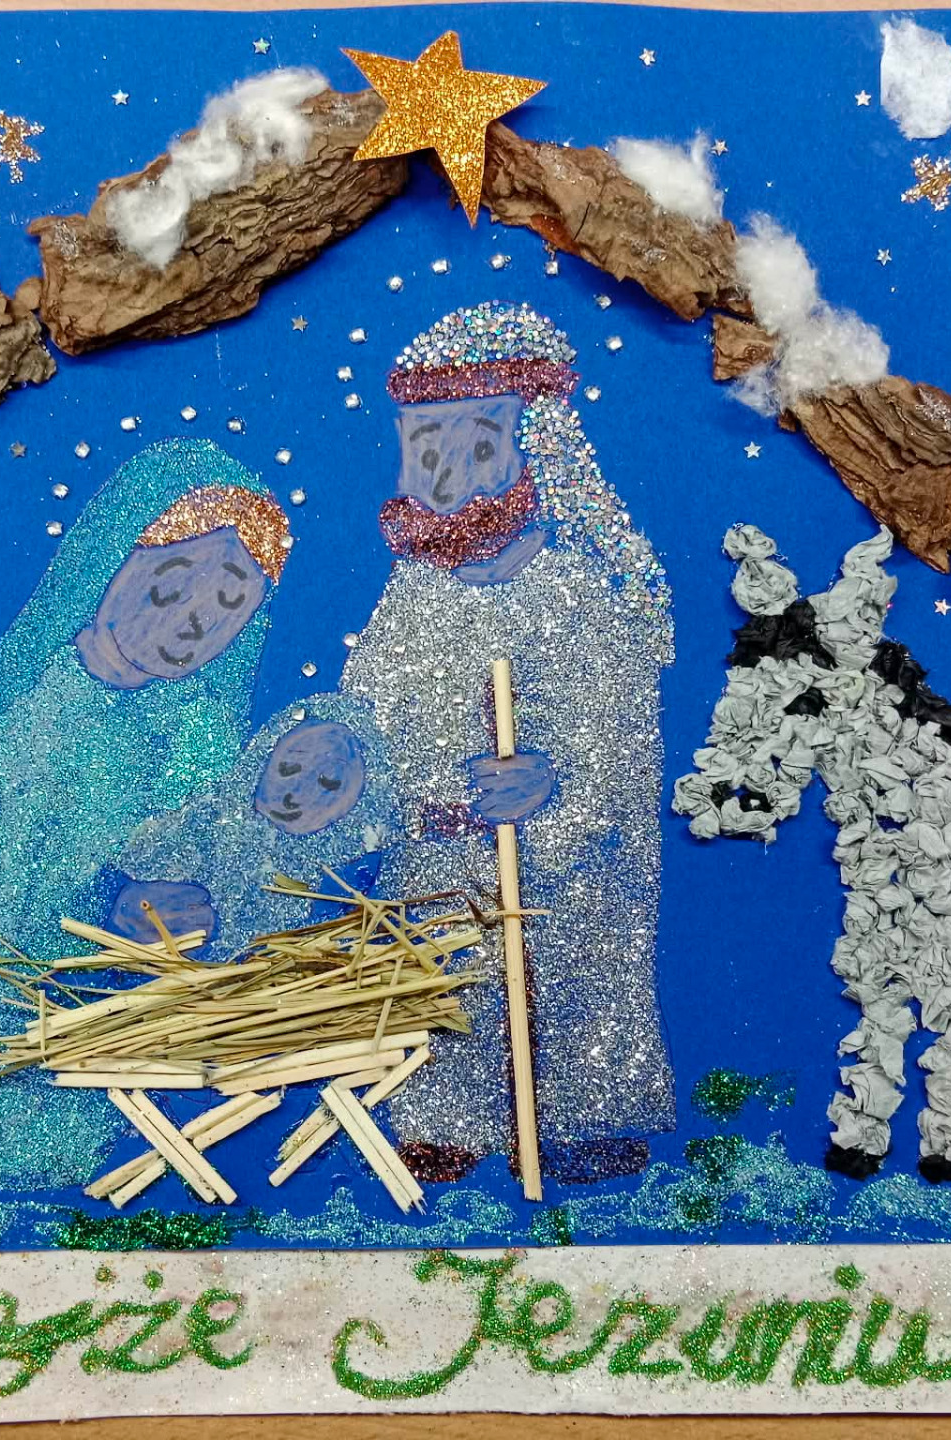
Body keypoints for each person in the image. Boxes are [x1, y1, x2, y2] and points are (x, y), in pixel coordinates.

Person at [341, 302, 678, 1185]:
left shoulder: (578, 597)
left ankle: (581, 1116)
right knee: (448, 981)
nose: (447, 472)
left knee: (567, 976)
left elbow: (617, 741)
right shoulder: (407, 598)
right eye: (426, 446)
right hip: (439, 859)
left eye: (478, 444)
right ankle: (441, 1117)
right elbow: (367, 719)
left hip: (559, 873)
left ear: (533, 455)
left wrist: (553, 788)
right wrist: (393, 787)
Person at [0, 439, 290, 1190]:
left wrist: (168, 902)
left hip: (108, 999)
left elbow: (199, 848)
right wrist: (87, 894)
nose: (191, 623)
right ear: (120, 560)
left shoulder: (194, 732)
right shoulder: (43, 694)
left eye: (228, 606)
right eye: (176, 582)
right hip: (3, 955)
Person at [108, 692, 401, 958]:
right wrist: (132, 908)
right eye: (288, 768)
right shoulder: (201, 821)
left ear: (357, 803)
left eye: (328, 784)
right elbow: (115, 881)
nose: (293, 795)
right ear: (263, 756)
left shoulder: (338, 891)